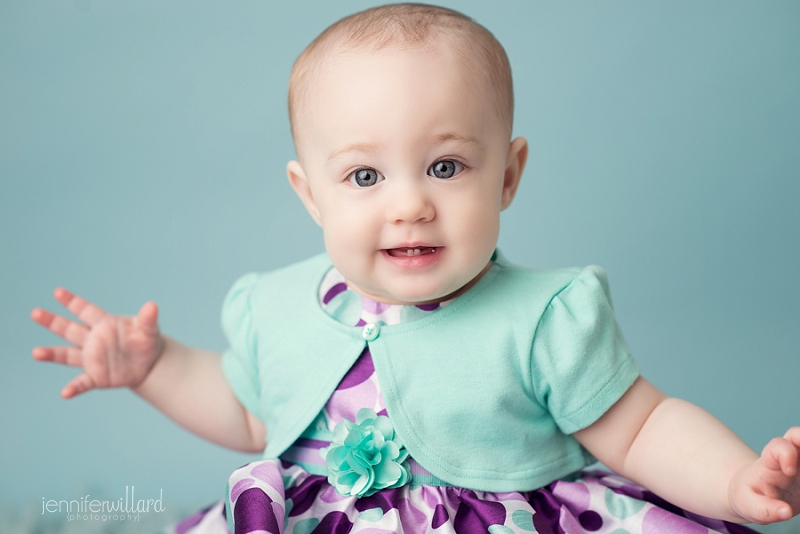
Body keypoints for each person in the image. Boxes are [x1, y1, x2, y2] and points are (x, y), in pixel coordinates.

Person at [30, 4, 799, 533]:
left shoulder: (542, 317)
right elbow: (251, 415)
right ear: (310, 194)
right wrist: (157, 366)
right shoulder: (276, 305)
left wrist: (737, 480)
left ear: (507, 174)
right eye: (365, 177)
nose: (409, 206)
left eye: (446, 166)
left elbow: (643, 429)